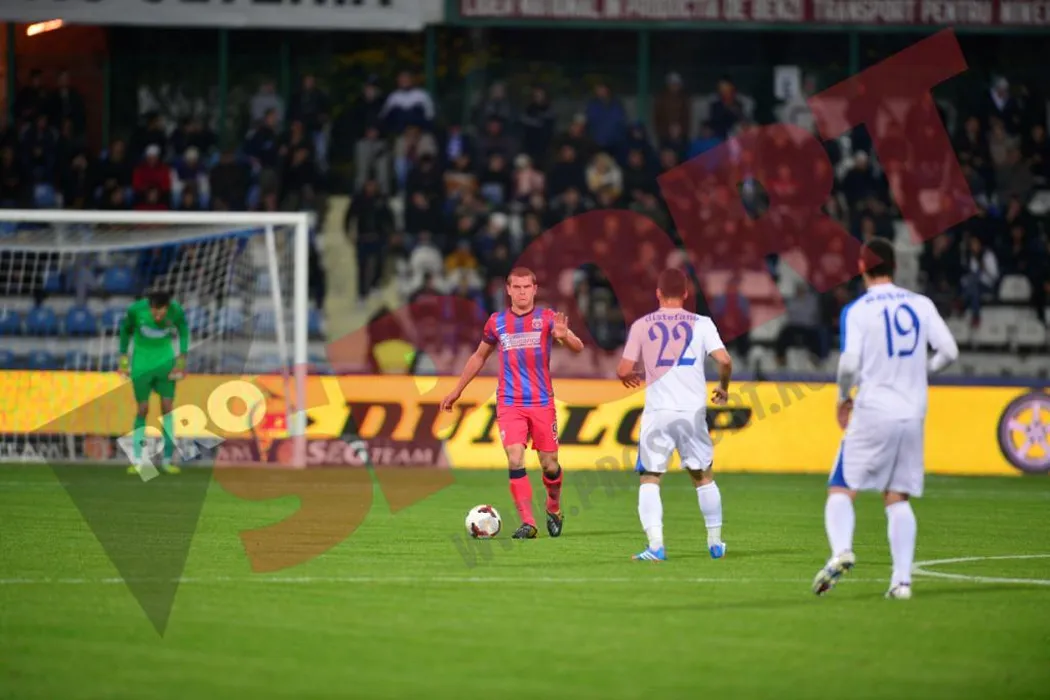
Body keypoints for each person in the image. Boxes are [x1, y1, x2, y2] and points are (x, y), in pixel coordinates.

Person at [813, 239, 958, 600]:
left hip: (874, 408)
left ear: (862, 267)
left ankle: (842, 551)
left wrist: (843, 397)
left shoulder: (858, 310)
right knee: (897, 497)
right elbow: (949, 351)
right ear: (894, 265)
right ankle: (902, 582)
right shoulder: (921, 304)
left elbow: (849, 363)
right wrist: (921, 372)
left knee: (841, 487)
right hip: (913, 411)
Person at [440, 268, 584, 539]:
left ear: (535, 289)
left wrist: (565, 336)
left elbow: (579, 347)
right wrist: (457, 390)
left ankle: (553, 507)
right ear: (508, 290)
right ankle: (528, 523)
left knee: (550, 465)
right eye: (516, 287)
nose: (521, 292)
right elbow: (479, 356)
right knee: (515, 458)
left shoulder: (547, 318)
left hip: (541, 402)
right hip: (509, 403)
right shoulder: (496, 322)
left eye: (526, 287)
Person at [616, 268, 733, 562]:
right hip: (692, 412)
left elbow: (623, 369)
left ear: (657, 293)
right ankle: (715, 543)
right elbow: (724, 360)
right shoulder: (702, 323)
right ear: (685, 293)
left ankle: (656, 546)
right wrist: (723, 387)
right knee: (703, 477)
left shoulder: (642, 325)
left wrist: (632, 375)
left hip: (658, 412)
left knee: (650, 477)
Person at [118, 290, 189, 475]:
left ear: (167, 307)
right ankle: (138, 460)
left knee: (167, 408)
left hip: (166, 365)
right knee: (143, 409)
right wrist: (123, 358)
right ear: (149, 306)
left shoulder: (176, 311)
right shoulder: (135, 310)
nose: (157, 316)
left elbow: (183, 331)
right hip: (141, 365)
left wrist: (181, 360)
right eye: (154, 312)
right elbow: (125, 331)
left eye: (161, 312)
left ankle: (167, 460)